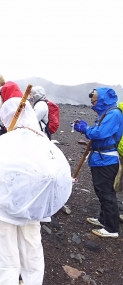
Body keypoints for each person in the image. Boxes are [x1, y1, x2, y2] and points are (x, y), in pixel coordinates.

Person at [0, 97, 72, 285]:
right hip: (33, 208)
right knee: (32, 248)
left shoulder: (5, 142)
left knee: (6, 256)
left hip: (3, 209)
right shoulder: (43, 141)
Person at [74, 88, 123, 238]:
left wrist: (85, 128)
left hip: (106, 159)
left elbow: (100, 133)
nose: (91, 100)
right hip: (102, 158)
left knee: (106, 193)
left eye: (94, 97)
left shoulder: (113, 114)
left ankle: (111, 229)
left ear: (102, 99)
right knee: (102, 191)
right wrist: (85, 128)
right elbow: (98, 130)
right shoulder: (106, 113)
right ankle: (104, 220)